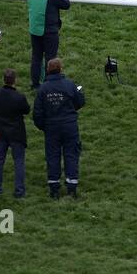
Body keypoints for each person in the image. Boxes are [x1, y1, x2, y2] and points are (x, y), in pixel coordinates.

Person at [33, 58, 85, 198]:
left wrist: (44, 127)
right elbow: (80, 102)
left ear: (48, 71)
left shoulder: (43, 88)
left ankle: (54, 187)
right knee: (71, 154)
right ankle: (72, 185)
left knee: (53, 155)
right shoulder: (69, 85)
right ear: (61, 69)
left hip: (52, 127)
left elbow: (37, 113)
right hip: (69, 126)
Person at [27, 0, 70, 90]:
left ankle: (35, 84)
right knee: (50, 58)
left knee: (36, 57)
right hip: (49, 32)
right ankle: (48, 84)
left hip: (35, 30)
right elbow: (66, 4)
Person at [0, 69, 30, 198]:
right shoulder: (19, 97)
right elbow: (27, 110)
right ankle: (19, 191)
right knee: (19, 161)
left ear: (4, 79)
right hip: (16, 132)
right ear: (15, 80)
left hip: (0, 131)